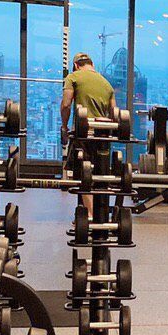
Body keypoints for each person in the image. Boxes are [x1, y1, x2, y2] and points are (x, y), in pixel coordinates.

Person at [60, 53, 117, 216]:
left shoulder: (73, 77)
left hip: (83, 134)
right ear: (92, 64)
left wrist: (64, 126)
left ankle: (90, 216)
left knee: (83, 174)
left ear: (76, 65)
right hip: (102, 135)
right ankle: (98, 214)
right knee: (100, 175)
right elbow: (114, 113)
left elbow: (66, 104)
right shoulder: (107, 84)